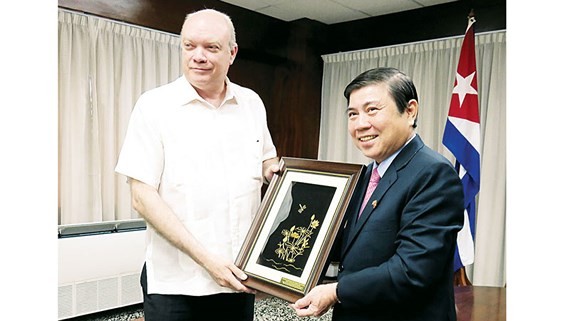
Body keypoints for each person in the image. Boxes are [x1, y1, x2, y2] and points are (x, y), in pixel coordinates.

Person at [115, 8, 279, 321]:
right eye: (189, 46)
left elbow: (266, 162)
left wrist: (280, 174)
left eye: (211, 47)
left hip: (236, 276)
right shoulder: (154, 106)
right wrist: (207, 260)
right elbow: (142, 196)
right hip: (176, 282)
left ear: (232, 53)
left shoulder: (252, 104)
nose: (198, 56)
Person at [291, 67, 464, 321]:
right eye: (352, 114)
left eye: (372, 110)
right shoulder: (364, 175)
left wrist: (336, 291)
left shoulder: (433, 174)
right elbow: (351, 248)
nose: (361, 124)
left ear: (410, 111)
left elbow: (411, 271)